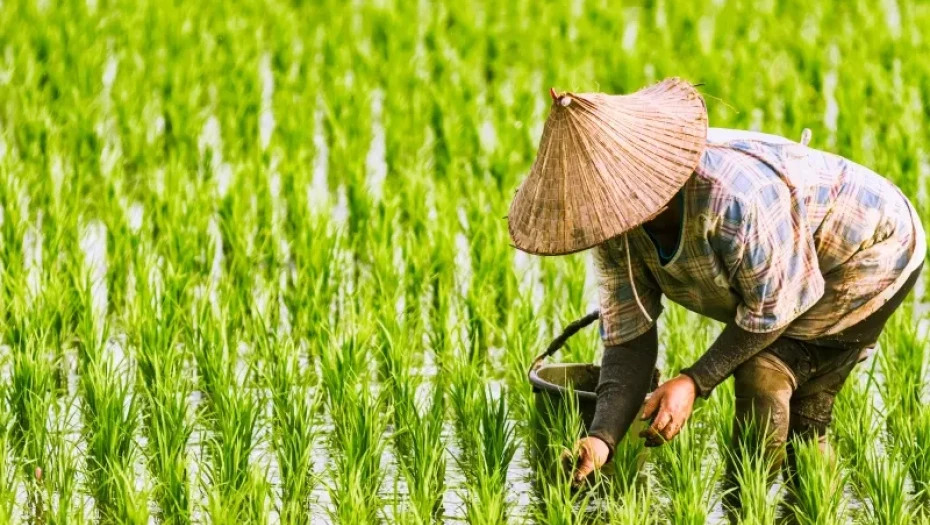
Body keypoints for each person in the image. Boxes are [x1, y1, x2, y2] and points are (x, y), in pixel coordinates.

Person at [507, 78, 926, 485]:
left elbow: (771, 309)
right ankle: (797, 504)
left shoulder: (733, 200)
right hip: (796, 266)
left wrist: (693, 381)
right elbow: (629, 339)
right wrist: (602, 439)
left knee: (765, 373)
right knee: (802, 421)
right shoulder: (615, 230)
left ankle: (749, 507)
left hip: (873, 247)